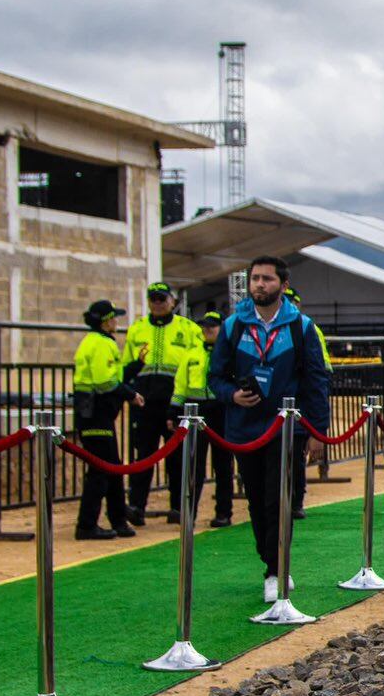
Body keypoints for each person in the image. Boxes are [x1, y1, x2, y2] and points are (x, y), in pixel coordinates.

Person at [208, 256, 329, 600]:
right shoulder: (233, 325)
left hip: (286, 428)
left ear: (283, 285)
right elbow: (215, 376)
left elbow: (316, 380)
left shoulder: (301, 326)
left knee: (279, 498)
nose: (260, 284)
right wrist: (232, 395)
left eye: (267, 279)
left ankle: (276, 569)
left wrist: (318, 431)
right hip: (245, 428)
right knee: (256, 499)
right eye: (255, 278)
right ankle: (269, 557)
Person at [121, 281, 205, 523]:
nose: (158, 303)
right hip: (144, 403)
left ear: (173, 301)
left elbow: (198, 361)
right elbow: (127, 365)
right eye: (153, 299)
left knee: (177, 457)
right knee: (143, 456)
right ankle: (136, 506)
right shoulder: (137, 329)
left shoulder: (188, 328)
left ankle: (178, 507)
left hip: (174, 402)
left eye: (162, 298)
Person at [73, 299, 140, 540]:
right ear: (104, 321)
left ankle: (118, 519)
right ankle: (87, 525)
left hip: (94, 413)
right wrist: (130, 395)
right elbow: (105, 382)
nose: (115, 322)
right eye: (112, 318)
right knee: (102, 470)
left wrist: (136, 366)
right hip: (95, 413)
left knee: (111, 467)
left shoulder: (96, 341)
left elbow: (114, 376)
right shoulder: (101, 344)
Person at [282, 288, 332, 519]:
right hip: (282, 402)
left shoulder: (307, 327)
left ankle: (296, 501)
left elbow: (320, 369)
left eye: (292, 301)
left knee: (296, 455)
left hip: (301, 399)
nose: (289, 304)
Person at [186, 311, 236, 528]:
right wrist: (174, 409)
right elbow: (181, 383)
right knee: (194, 465)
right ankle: (189, 513)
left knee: (222, 464)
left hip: (221, 409)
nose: (207, 330)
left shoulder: (230, 353)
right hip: (197, 410)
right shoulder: (192, 353)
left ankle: (223, 512)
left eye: (212, 326)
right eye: (204, 326)